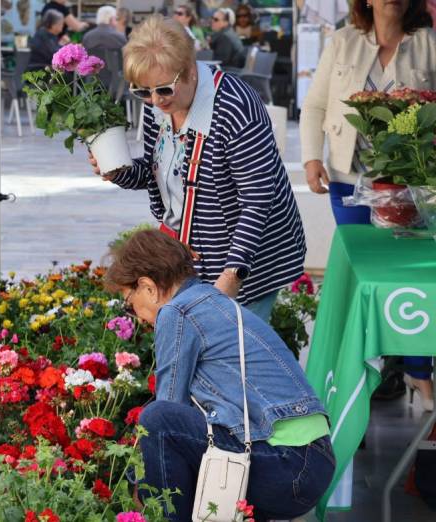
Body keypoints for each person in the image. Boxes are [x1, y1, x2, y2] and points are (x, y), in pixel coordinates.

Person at [104, 229, 335, 522]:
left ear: (148, 287)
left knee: (157, 419)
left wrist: (135, 481)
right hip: (309, 462)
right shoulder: (211, 301)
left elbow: (168, 410)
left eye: (128, 303)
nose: (135, 316)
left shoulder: (178, 312)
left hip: (289, 463)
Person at [88, 16, 306, 322]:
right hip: (190, 257)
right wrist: (118, 171)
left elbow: (258, 198)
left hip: (245, 258)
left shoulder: (235, 105)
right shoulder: (156, 106)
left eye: (164, 89)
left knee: (236, 345)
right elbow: (156, 171)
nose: (155, 101)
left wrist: (232, 275)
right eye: (143, 92)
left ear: (191, 71)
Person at [300, 0, 436, 410]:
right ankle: (361, 372)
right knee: (361, 277)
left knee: (408, 277)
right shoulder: (342, 41)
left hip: (410, 186)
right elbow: (315, 105)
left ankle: (418, 370)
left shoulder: (427, 42)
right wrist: (311, 158)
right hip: (348, 181)